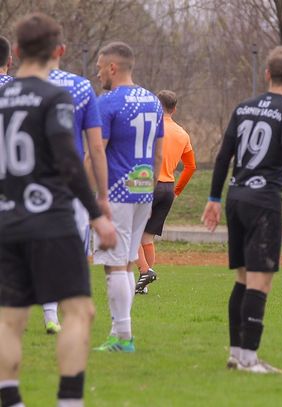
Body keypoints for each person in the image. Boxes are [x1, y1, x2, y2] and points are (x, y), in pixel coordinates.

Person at [0, 13, 116, 407]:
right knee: (79, 311)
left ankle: (11, 401)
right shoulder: (55, 96)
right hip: (51, 219)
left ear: (16, 51)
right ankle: (69, 401)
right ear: (59, 51)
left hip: (7, 221)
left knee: (10, 318)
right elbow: (69, 159)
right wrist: (97, 213)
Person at [202, 45, 282, 374]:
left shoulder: (243, 108)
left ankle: (236, 354)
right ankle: (249, 359)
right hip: (264, 203)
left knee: (243, 279)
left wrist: (214, 198)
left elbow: (223, 156)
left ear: (266, 74)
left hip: (235, 198)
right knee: (260, 282)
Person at [93, 41, 164, 352]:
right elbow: (159, 154)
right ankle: (118, 333)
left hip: (116, 193)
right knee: (125, 259)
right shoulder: (153, 101)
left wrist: (93, 193)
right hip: (143, 190)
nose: (98, 74)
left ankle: (123, 336)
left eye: (99, 67)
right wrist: (148, 186)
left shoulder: (108, 102)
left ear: (112, 67)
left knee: (115, 263)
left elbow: (97, 150)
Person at [42, 40, 111, 335]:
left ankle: (49, 314)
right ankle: (68, 312)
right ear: (61, 49)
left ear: (20, 51)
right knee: (73, 250)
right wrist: (102, 195)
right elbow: (96, 147)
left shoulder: (18, 87)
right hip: (70, 183)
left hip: (30, 183)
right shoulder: (82, 87)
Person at [135, 90, 196, 294]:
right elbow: (191, 167)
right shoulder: (183, 134)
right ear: (175, 109)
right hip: (168, 189)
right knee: (147, 238)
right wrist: (176, 190)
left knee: (131, 233)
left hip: (147, 183)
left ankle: (145, 271)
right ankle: (144, 285)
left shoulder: (149, 127)